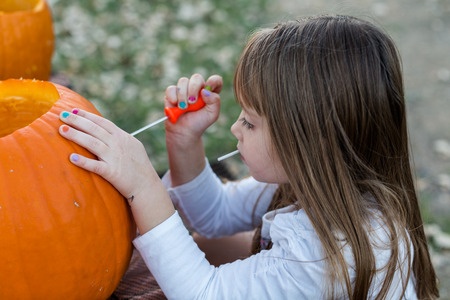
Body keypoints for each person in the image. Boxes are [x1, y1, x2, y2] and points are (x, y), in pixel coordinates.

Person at [58, 15, 439, 299]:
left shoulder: (325, 256)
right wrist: (184, 141)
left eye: (251, 122)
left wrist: (142, 184)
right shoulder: (316, 181)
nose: (235, 128)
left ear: (308, 144)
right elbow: (213, 215)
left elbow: (202, 294)